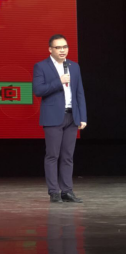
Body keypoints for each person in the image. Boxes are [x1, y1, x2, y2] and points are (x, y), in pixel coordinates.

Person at [33, 34, 87, 203]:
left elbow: (79, 93)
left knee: (68, 156)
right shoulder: (41, 66)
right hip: (53, 117)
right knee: (52, 155)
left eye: (65, 47)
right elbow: (38, 90)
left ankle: (67, 191)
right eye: (58, 47)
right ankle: (54, 192)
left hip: (72, 116)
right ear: (50, 49)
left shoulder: (74, 66)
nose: (62, 50)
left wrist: (83, 116)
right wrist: (59, 81)